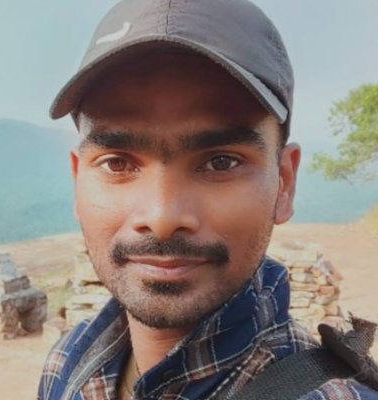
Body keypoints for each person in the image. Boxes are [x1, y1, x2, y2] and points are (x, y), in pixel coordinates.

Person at [38, 0, 378, 399]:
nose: (162, 217)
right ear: (78, 179)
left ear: (284, 183)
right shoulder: (67, 362)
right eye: (117, 163)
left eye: (220, 162)